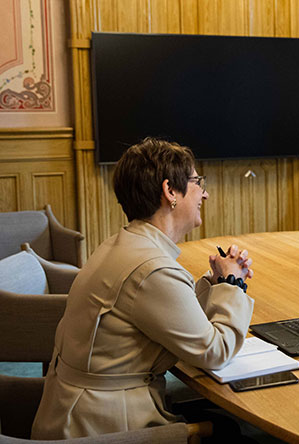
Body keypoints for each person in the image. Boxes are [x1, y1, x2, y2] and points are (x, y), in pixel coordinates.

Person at [32, 138, 255, 440]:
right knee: (233, 431)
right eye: (196, 181)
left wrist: (214, 282)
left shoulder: (121, 244)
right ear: (170, 191)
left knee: (223, 422)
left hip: (74, 412)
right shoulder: (152, 268)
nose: (205, 193)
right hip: (102, 428)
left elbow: (165, 313)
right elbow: (215, 352)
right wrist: (232, 284)